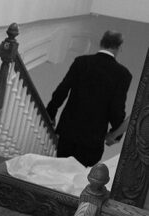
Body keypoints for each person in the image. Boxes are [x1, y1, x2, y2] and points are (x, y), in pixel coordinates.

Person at [45, 29, 132, 167]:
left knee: (60, 169)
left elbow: (62, 90)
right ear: (119, 47)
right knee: (78, 175)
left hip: (68, 130)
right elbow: (117, 108)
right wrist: (115, 134)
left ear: (101, 43)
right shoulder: (123, 74)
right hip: (93, 137)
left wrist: (51, 112)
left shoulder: (81, 62)